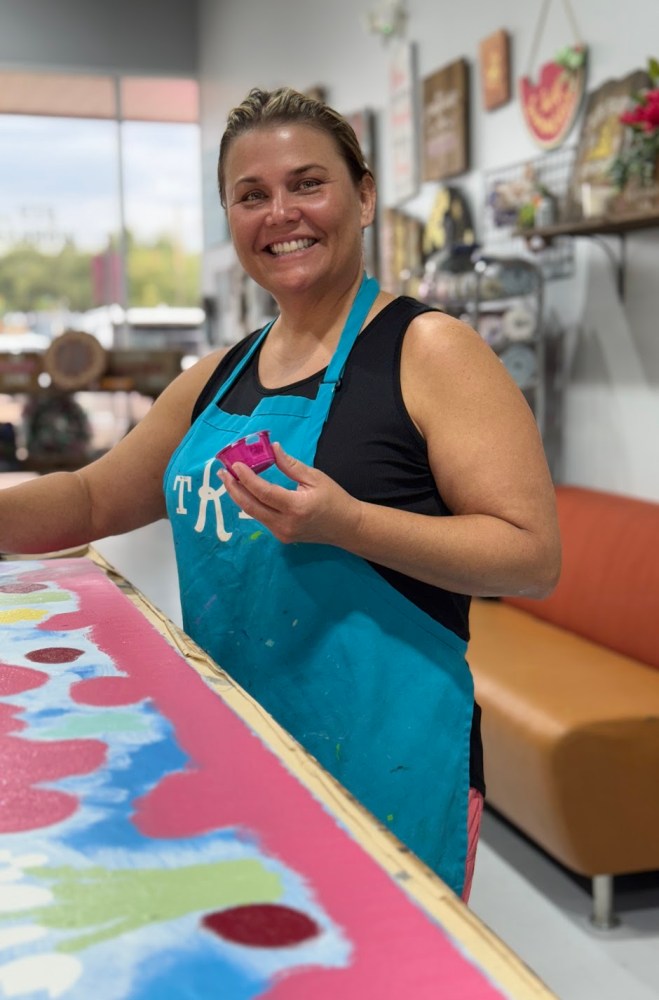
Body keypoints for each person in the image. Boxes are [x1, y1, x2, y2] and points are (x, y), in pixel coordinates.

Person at [0, 87, 561, 900]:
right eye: (251, 195)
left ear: (363, 195)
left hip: (387, 756)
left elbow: (531, 558)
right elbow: (90, 501)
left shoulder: (431, 351)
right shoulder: (219, 376)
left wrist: (349, 523)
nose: (280, 213)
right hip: (246, 749)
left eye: (308, 184)